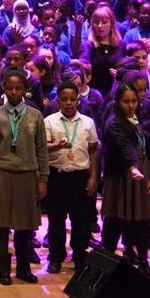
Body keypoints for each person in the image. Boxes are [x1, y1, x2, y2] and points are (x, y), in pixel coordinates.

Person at [0, 68, 48, 286]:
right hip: (2, 175)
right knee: (0, 224)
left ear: (26, 90)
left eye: (19, 88)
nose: (14, 92)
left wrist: (43, 178)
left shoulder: (35, 115)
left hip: (27, 176)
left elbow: (42, 149)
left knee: (25, 226)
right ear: (4, 89)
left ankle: (24, 269)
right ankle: (4, 270)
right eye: (10, 88)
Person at [101, 74, 150, 279]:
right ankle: (103, 265)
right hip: (121, 177)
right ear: (118, 102)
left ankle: (143, 261)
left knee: (142, 222)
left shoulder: (143, 119)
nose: (131, 105)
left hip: (142, 175)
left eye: (134, 101)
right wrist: (133, 166)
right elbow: (125, 147)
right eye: (126, 101)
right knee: (114, 221)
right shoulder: (114, 123)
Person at [42, 82, 99, 275]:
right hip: (57, 176)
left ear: (78, 101)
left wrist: (92, 177)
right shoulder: (49, 121)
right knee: (56, 220)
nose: (68, 103)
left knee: (80, 221)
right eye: (64, 99)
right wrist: (57, 145)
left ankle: (79, 257)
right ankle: (56, 257)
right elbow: (42, 148)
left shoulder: (87, 123)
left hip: (80, 176)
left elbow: (93, 151)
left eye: (72, 100)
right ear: (58, 100)